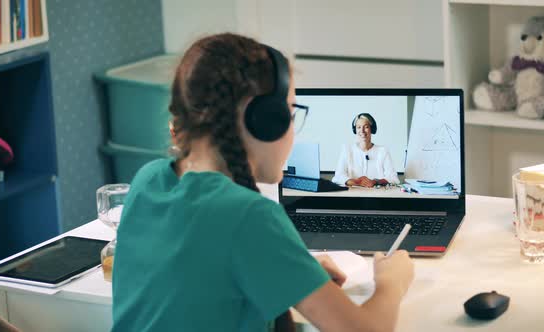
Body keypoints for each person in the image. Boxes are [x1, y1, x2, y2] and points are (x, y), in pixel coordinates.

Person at [111, 33, 414, 332]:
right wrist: (391, 284)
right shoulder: (249, 216)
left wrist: (288, 273)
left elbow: (194, 279)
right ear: (265, 119)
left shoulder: (148, 179)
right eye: (291, 113)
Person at [332, 113, 400, 188]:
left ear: (372, 129)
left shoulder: (382, 151)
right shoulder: (347, 150)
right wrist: (356, 182)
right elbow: (337, 177)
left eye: (366, 127)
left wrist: (375, 181)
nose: (362, 131)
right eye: (358, 127)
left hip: (377, 196)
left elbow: (394, 179)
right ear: (355, 130)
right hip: (352, 196)